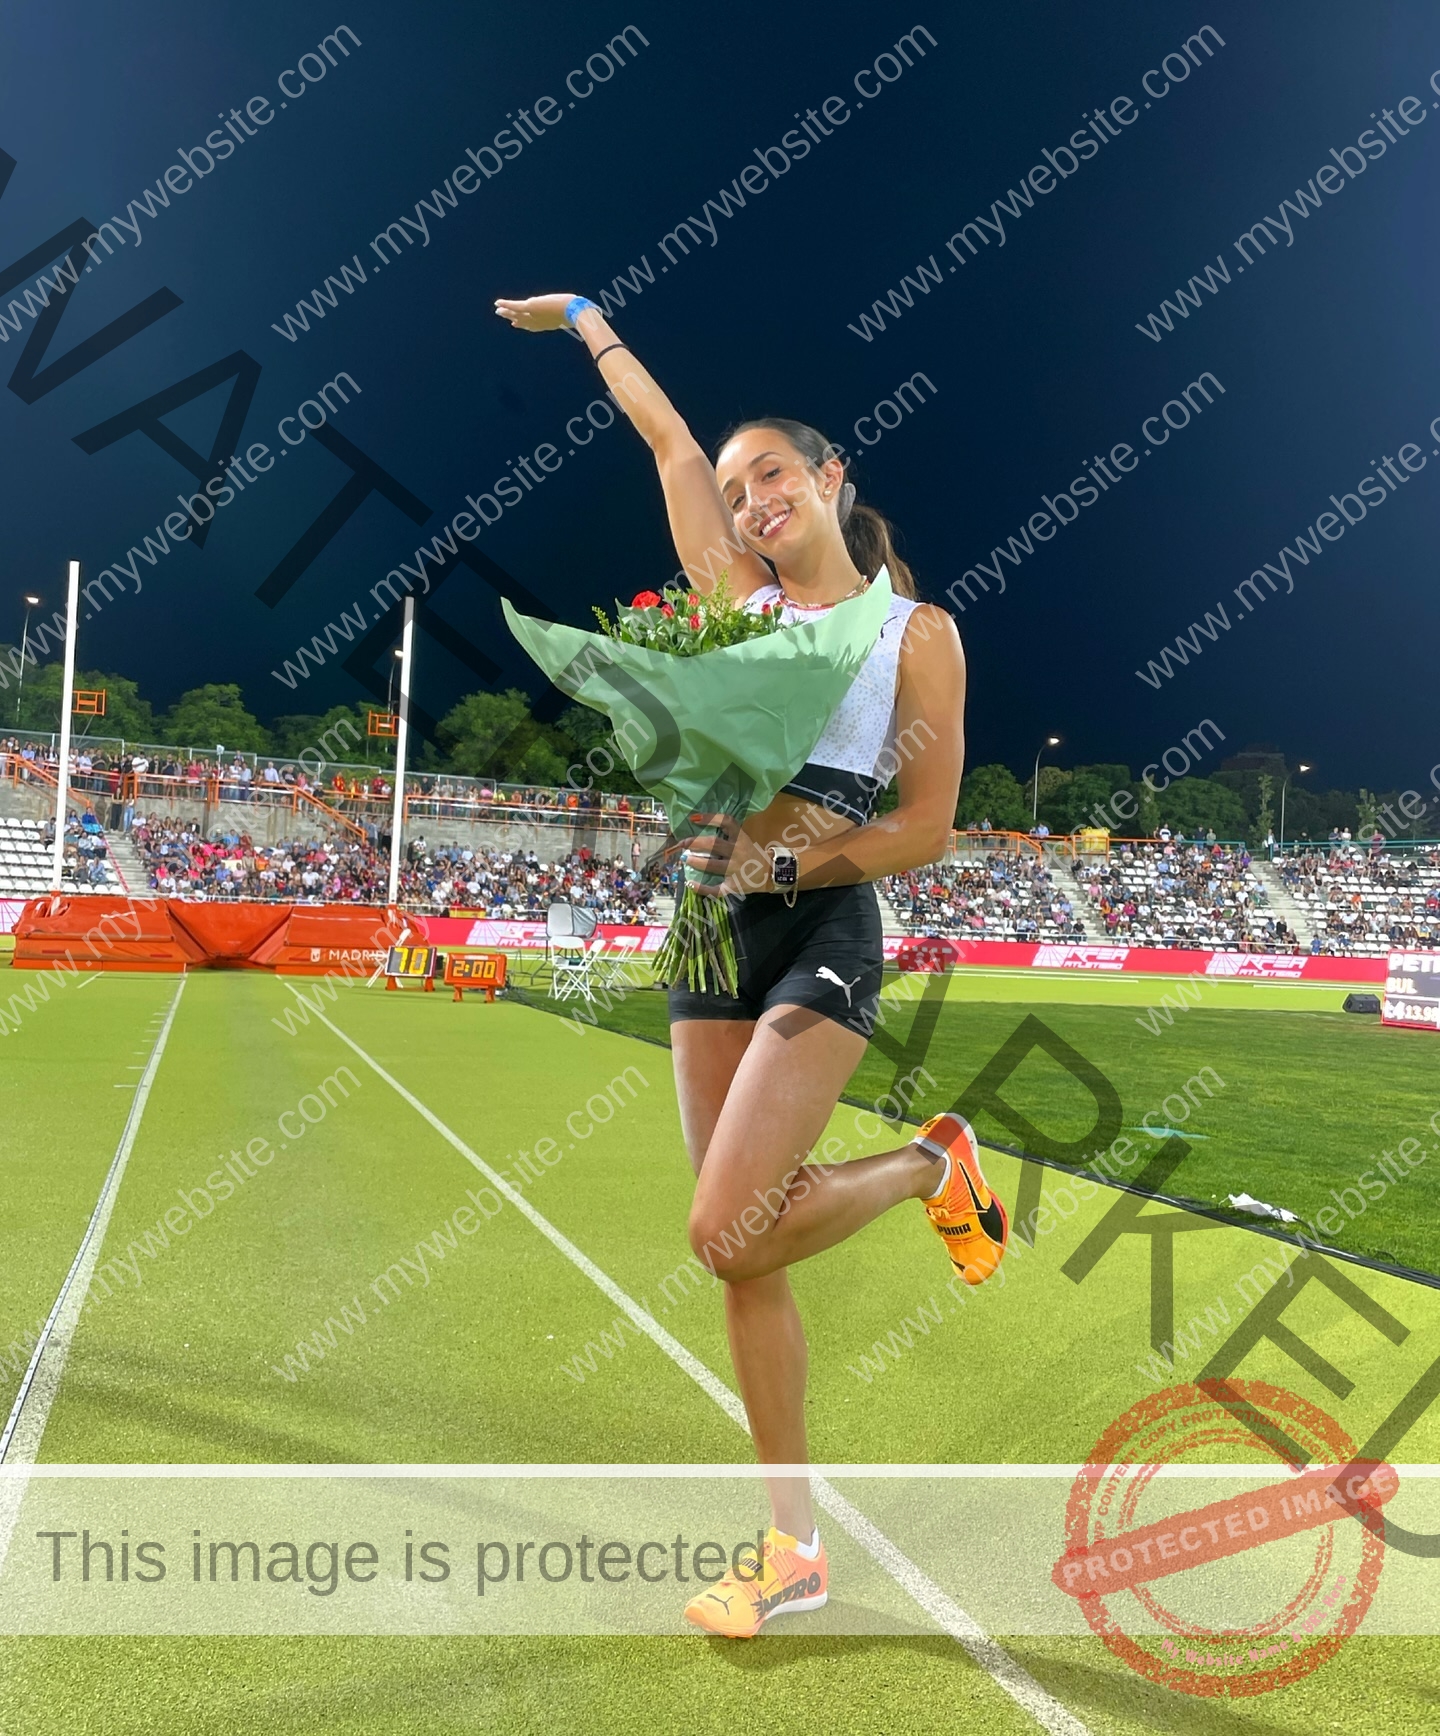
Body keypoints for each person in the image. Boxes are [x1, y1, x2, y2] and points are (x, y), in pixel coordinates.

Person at [497, 290, 1008, 1638]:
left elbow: (928, 825)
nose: (748, 495)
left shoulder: (917, 636)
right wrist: (595, 326)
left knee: (723, 1222)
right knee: (746, 1256)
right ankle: (794, 1549)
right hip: (704, 929)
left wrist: (794, 865)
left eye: (771, 471)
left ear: (833, 478)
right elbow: (666, 445)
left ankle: (924, 1165)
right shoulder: (734, 603)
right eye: (738, 488)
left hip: (817, 923)